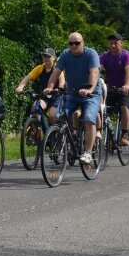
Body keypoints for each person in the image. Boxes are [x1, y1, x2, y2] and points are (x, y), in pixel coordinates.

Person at [43, 32, 102, 165]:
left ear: (83, 43)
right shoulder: (65, 54)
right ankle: (69, 141)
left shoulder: (91, 54)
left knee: (88, 118)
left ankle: (87, 152)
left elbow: (94, 72)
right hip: (72, 93)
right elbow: (56, 72)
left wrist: (89, 89)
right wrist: (50, 87)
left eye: (77, 43)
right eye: (71, 43)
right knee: (62, 116)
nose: (74, 46)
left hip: (91, 94)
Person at [100, 33, 129, 147]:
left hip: (125, 89)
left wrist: (127, 85)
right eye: (111, 43)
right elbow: (97, 68)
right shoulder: (104, 56)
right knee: (102, 110)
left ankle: (125, 135)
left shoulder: (127, 55)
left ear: (121, 43)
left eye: (116, 43)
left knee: (124, 107)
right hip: (110, 89)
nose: (113, 45)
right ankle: (106, 135)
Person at [15, 48, 65, 126]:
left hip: (56, 96)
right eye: (44, 56)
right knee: (35, 108)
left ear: (54, 58)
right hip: (44, 96)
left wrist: (59, 88)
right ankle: (35, 134)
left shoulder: (57, 69)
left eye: (49, 56)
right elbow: (27, 78)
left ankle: (53, 135)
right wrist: (20, 87)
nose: (46, 58)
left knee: (52, 116)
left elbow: (62, 81)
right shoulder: (40, 68)